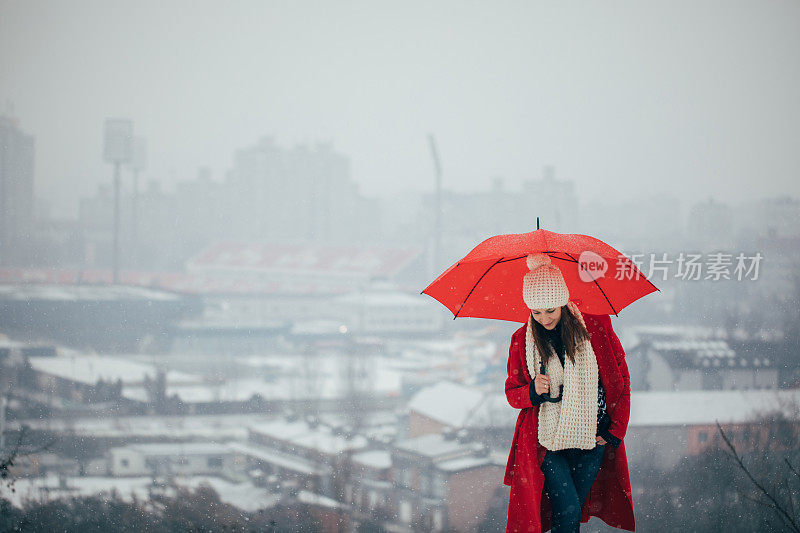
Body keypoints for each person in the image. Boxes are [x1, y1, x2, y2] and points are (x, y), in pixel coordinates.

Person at [503, 253, 636, 532]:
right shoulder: (521, 341)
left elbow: (621, 380)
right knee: (568, 508)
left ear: (563, 301)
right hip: (547, 442)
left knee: (570, 515)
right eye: (536, 312)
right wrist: (532, 391)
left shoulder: (596, 327)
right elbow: (512, 393)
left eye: (550, 310)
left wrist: (614, 432)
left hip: (591, 438)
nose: (544, 319)